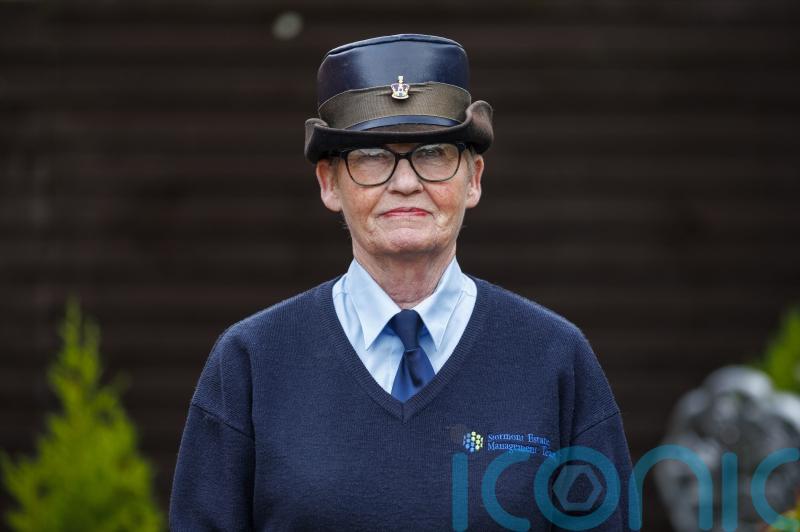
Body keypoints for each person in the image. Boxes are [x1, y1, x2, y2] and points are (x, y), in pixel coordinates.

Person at [169, 34, 634, 531]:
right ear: (329, 184)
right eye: (372, 156)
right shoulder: (252, 362)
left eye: (432, 153)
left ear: (473, 178)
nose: (405, 181)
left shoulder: (555, 359)